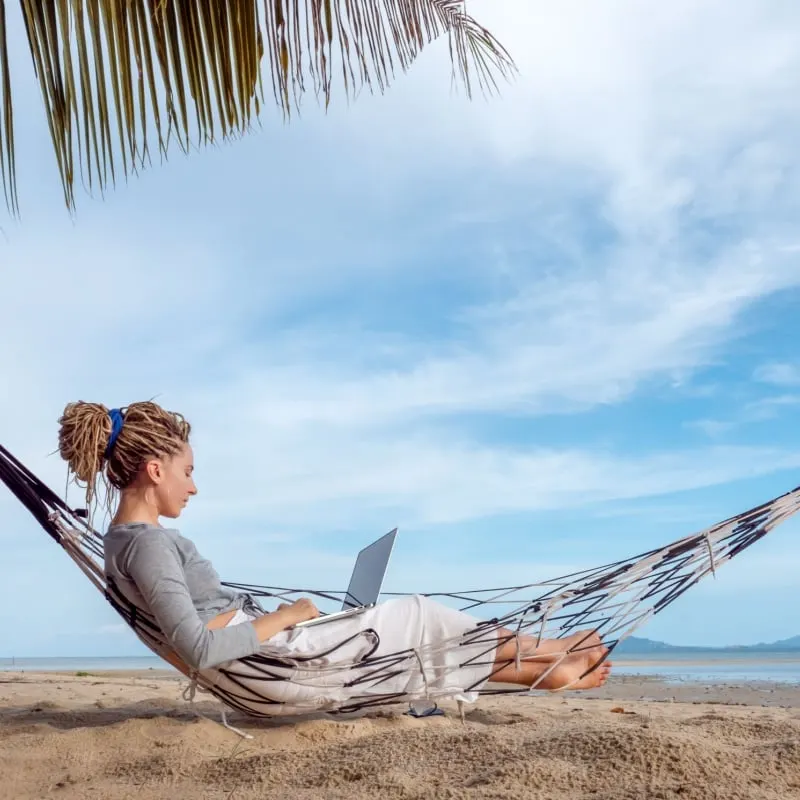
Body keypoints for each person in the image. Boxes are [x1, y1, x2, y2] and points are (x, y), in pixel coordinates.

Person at [57, 400, 612, 713]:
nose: (193, 487)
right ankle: (549, 658)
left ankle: (546, 660)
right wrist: (292, 615)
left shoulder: (123, 540)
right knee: (418, 615)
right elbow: (199, 649)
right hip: (276, 667)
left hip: (268, 666)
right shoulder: (148, 545)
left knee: (406, 632)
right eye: (188, 471)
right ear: (155, 470)